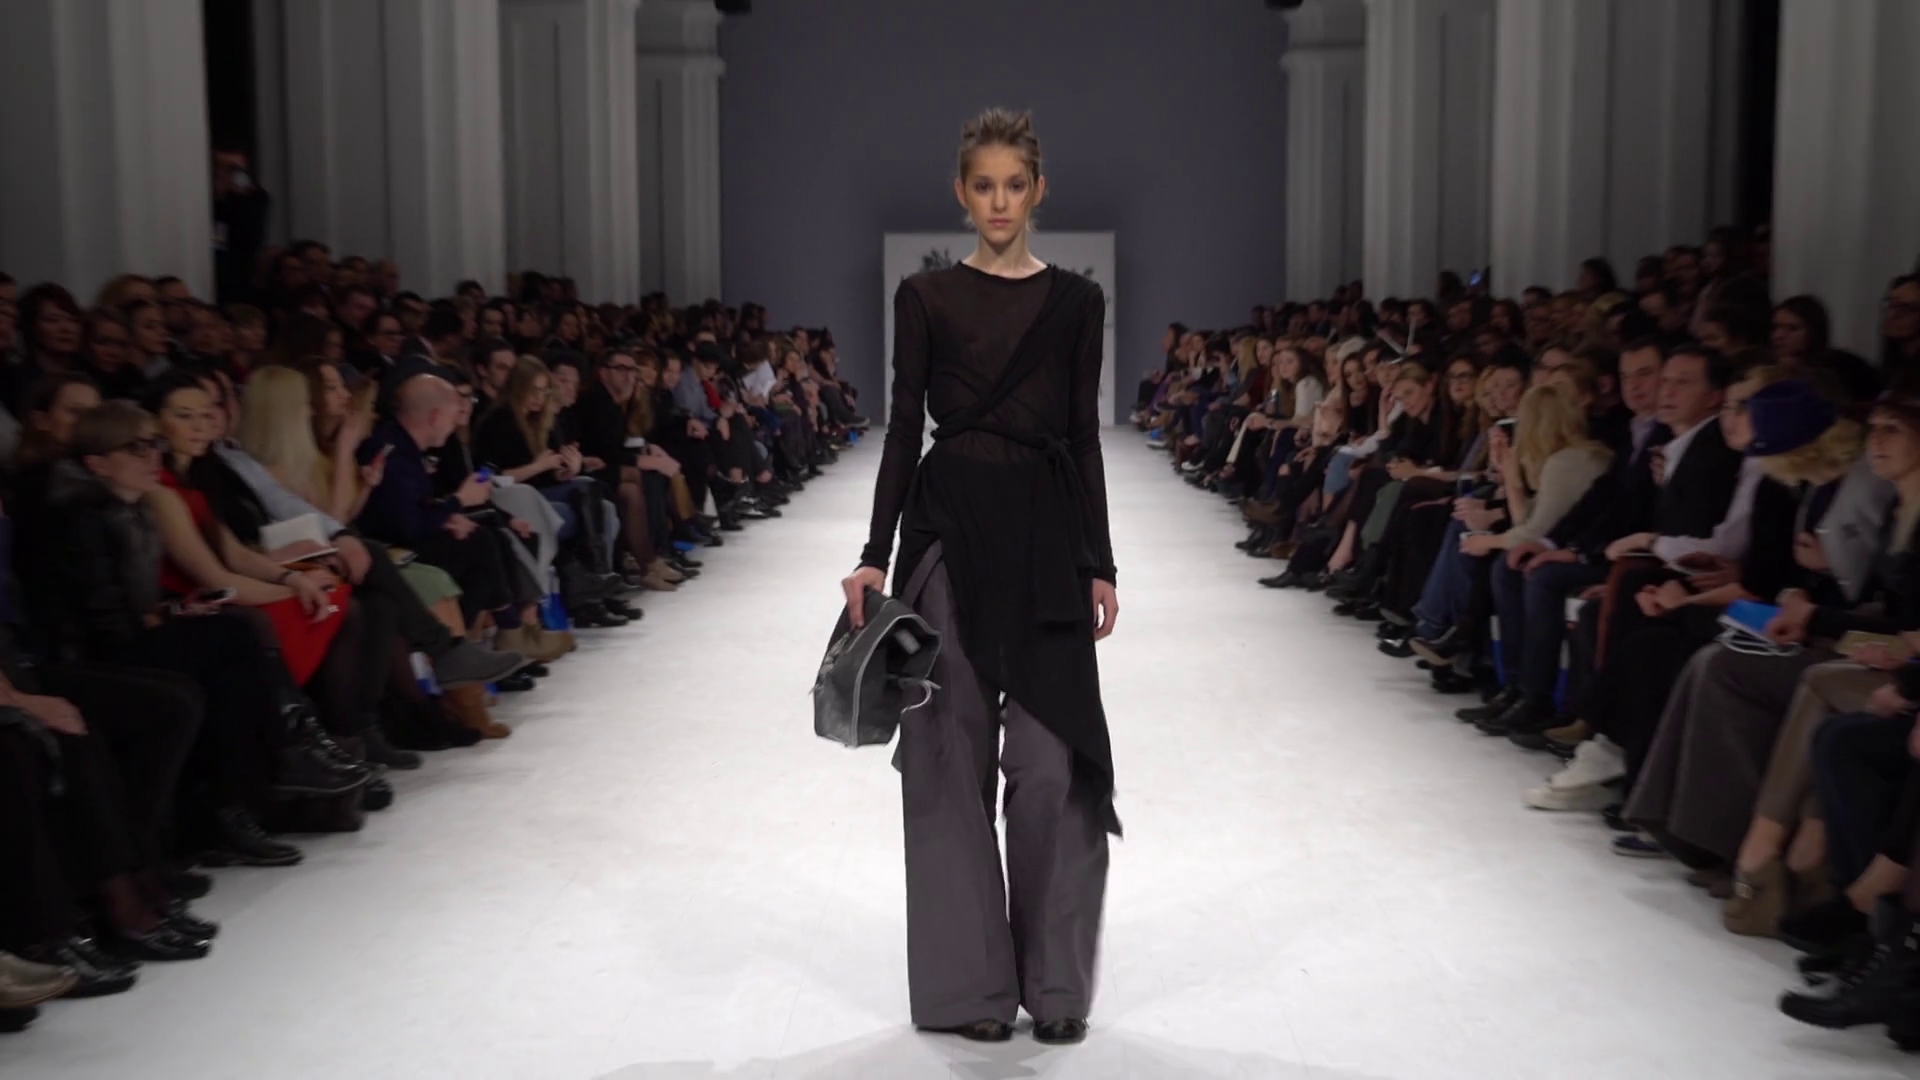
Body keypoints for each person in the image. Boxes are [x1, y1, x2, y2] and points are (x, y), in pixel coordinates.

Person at [840, 108, 1116, 1048]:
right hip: (946, 534)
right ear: (962, 193)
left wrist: (1100, 561)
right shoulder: (925, 298)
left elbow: (1081, 437)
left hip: (1045, 542)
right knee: (949, 758)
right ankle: (971, 991)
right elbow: (902, 429)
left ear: (1038, 191)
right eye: (984, 185)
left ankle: (1057, 983)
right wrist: (874, 555)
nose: (1000, 202)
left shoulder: (1077, 303)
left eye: (1015, 185)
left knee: (1051, 760)